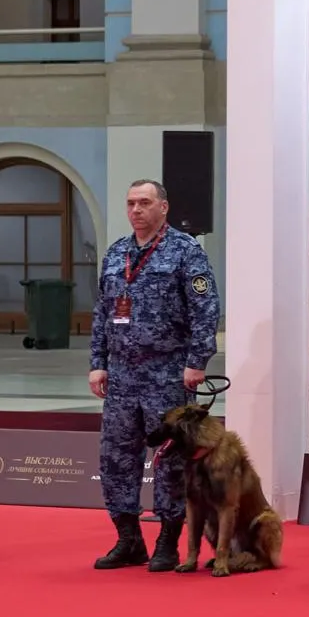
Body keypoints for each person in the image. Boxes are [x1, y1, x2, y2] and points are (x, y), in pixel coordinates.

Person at [87, 179, 221, 572]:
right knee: (116, 458)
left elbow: (205, 310)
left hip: (168, 372)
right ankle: (128, 539)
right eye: (130, 203)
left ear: (163, 207)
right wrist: (98, 361)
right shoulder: (116, 254)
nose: (136, 210)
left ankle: (167, 541)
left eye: (144, 203)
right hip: (123, 374)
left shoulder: (186, 252)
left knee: (171, 460)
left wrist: (197, 362)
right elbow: (101, 314)